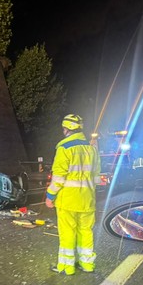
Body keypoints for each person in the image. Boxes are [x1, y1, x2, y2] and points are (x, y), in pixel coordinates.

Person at [45, 114, 101, 275]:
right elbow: (97, 177)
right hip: (88, 199)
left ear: (66, 129)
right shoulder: (92, 149)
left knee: (67, 232)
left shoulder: (64, 148)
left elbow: (58, 179)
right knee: (86, 231)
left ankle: (66, 267)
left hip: (68, 199)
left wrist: (50, 196)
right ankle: (87, 264)